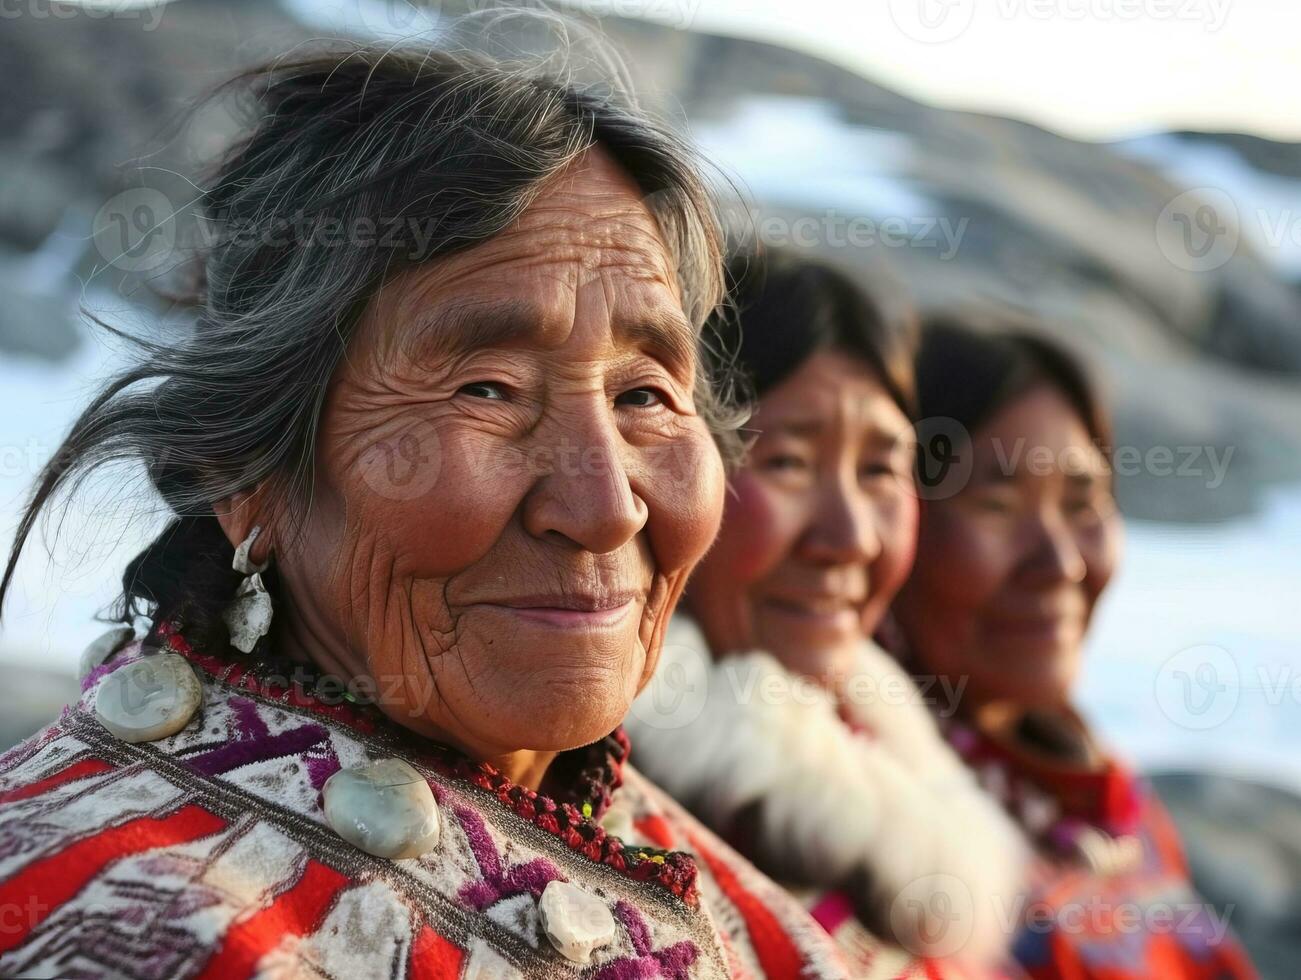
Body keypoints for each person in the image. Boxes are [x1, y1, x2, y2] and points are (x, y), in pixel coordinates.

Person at [0, 45, 854, 979]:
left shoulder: (755, 932)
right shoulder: (103, 918)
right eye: (486, 390)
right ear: (244, 472)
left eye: (644, 395)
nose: (606, 507)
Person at [626, 252, 1030, 977]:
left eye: (879, 470)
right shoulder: (597, 796)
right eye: (786, 462)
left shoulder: (894, 754)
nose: (850, 538)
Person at [890, 318, 1258, 979]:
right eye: (997, 503)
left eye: (1083, 502)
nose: (1059, 561)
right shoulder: (862, 831)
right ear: (892, 522)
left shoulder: (1110, 805)